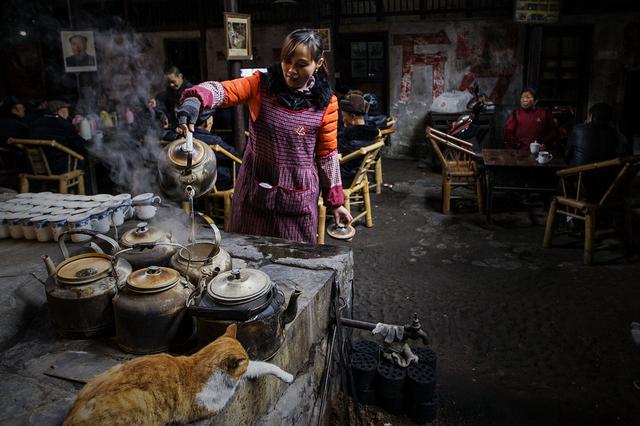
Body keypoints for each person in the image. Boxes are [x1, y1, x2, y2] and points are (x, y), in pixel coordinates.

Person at [176, 28, 352, 244]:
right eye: (287, 61)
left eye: (301, 64)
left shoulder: (326, 104)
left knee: (296, 259)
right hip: (254, 189)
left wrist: (336, 202)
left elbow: (327, 156)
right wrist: (196, 99)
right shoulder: (260, 84)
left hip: (299, 194)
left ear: (318, 64)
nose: (291, 70)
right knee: (245, 256)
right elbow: (224, 90)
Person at [564, 102, 628, 202]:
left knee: (561, 181)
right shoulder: (618, 135)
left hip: (582, 184)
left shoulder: (578, 129)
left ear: (591, 116)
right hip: (608, 188)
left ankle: (570, 216)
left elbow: (567, 156)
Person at [29, 100, 87, 174]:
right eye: (67, 110)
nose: (68, 113)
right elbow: (79, 145)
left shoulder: (34, 124)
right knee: (84, 159)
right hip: (59, 167)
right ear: (61, 112)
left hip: (36, 167)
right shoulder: (64, 125)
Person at [338, 93, 380, 185]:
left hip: (343, 178)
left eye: (344, 115)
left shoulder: (348, 134)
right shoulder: (373, 132)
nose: (343, 119)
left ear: (353, 116)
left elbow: (340, 158)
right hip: (359, 175)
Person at [193, 109, 240, 189]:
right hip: (211, 181)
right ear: (207, 123)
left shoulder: (182, 136)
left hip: (190, 178)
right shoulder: (214, 141)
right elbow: (234, 155)